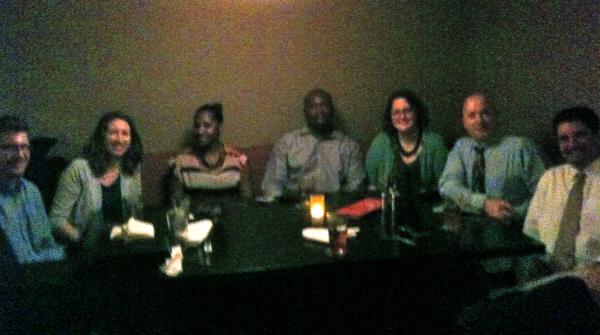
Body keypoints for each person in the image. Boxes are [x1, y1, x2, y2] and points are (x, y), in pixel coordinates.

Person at [439, 93, 545, 223]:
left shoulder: (521, 148)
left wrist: (515, 213)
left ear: (495, 116)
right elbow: (447, 186)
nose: (479, 120)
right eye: (472, 115)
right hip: (471, 227)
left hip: (513, 227)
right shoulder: (461, 147)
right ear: (464, 122)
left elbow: (546, 194)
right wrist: (484, 204)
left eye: (485, 113)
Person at [522, 106, 600, 276]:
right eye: (564, 138)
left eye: (580, 135)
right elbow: (531, 236)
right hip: (547, 279)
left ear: (596, 136)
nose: (572, 144)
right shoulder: (549, 179)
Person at [51, 112, 144, 253]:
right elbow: (56, 221)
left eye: (125, 133)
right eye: (113, 132)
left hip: (122, 249)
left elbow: (136, 213)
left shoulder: (132, 169)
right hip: (84, 251)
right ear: (101, 136)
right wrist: (83, 241)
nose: (120, 139)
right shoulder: (79, 169)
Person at [261, 88, 365, 200]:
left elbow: (356, 186)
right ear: (305, 112)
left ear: (332, 110)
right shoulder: (287, 143)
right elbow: (272, 183)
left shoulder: (349, 146)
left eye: (324, 105)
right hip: (295, 207)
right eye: (313, 107)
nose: (320, 111)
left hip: (336, 209)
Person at [366, 90, 448, 228]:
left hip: (428, 216)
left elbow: (446, 186)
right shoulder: (380, 143)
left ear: (417, 112)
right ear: (390, 117)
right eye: (396, 112)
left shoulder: (435, 143)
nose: (402, 116)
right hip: (389, 216)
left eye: (408, 111)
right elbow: (373, 182)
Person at [169, 103, 252, 216]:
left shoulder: (238, 161)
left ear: (218, 126)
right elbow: (176, 204)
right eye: (197, 126)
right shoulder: (182, 162)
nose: (200, 131)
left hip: (232, 224)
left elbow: (247, 202)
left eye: (207, 125)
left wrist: (220, 210)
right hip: (195, 227)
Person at [0, 115, 63, 264]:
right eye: (10, 148)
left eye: (24, 147)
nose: (20, 155)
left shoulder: (31, 191)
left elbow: (47, 244)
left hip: (42, 277)